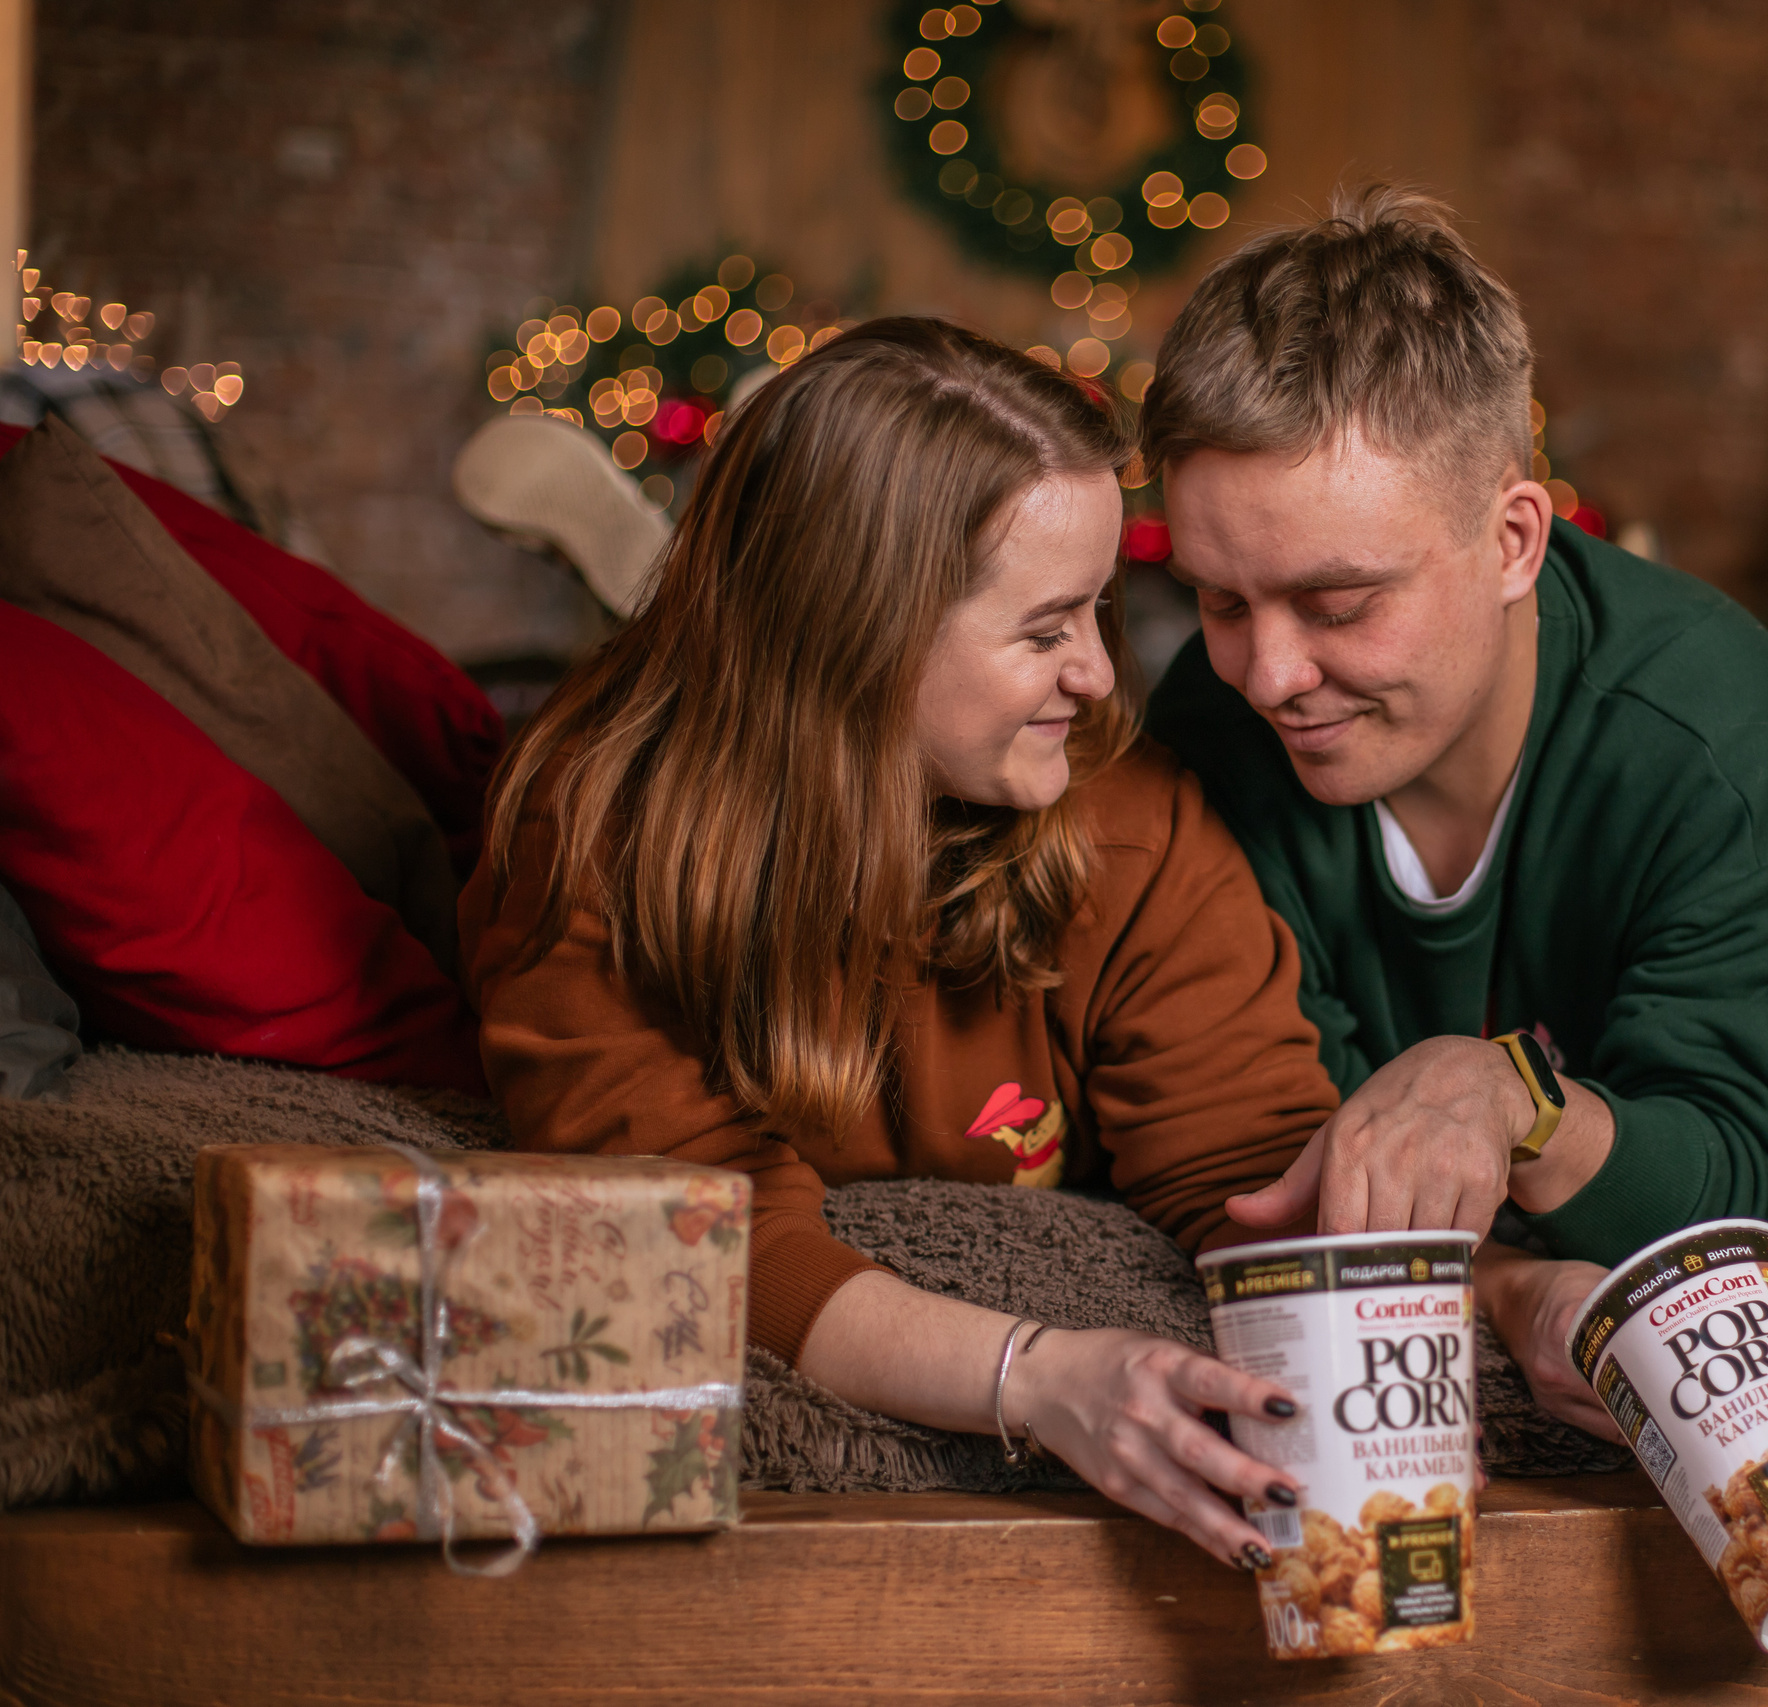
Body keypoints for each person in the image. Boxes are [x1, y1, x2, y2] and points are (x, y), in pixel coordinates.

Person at [458, 318, 1336, 1567]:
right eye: (1044, 630)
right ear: (856, 636)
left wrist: (1475, 1305)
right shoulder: (599, 832)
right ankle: (650, 553)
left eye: (1101, 610)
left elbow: (1247, 1163)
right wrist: (1035, 1377)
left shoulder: (1129, 818)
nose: (1099, 674)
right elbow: (696, 1239)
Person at [1141, 187, 1768, 1435]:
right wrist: (1509, 1285)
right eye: (1218, 602)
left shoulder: (1716, 736)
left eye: (1336, 605)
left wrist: (1509, 1098)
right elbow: (1250, 1173)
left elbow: (1749, 1186)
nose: (1267, 678)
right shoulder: (1201, 741)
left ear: (1513, 542)